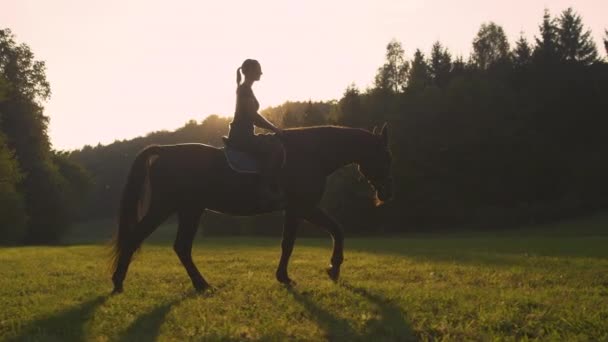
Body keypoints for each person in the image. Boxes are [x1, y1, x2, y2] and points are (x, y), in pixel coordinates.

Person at [227, 59, 284, 202]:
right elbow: (253, 116)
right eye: (258, 69)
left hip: (244, 135)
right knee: (276, 148)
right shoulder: (244, 89)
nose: (261, 73)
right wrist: (274, 128)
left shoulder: (246, 89)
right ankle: (263, 188)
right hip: (242, 137)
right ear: (250, 71)